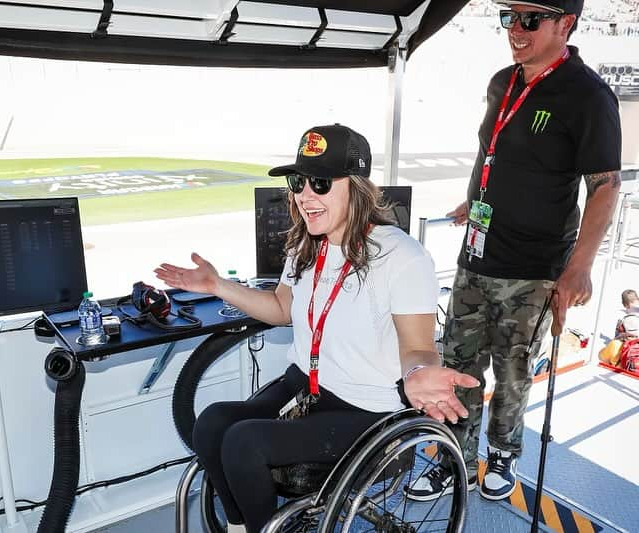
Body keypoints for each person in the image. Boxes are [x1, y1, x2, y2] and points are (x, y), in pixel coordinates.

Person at [155, 124, 479, 533]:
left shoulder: (403, 257)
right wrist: (217, 286)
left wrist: (417, 374)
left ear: (357, 187)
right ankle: (242, 526)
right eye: (298, 182)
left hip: (367, 409)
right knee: (213, 424)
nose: (304, 195)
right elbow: (280, 308)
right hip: (306, 386)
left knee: (244, 442)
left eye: (320, 183)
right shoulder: (306, 245)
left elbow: (417, 348)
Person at [405, 0, 622, 502]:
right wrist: (476, 197)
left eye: (530, 20)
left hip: (535, 268)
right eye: (510, 18)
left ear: (565, 24)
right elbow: (493, 150)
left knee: (513, 369)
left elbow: (605, 187)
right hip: (476, 256)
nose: (515, 31)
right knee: (457, 362)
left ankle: (502, 455)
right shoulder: (502, 81)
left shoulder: (588, 96)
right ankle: (453, 454)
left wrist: (580, 268)